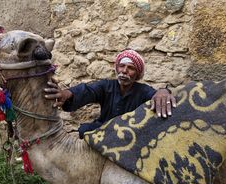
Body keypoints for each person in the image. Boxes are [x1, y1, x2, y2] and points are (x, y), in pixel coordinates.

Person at [44, 49, 176, 139]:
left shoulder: (143, 90)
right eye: (121, 66)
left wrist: (163, 91)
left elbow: (156, 95)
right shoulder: (106, 86)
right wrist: (67, 94)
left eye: (130, 68)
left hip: (129, 134)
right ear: (117, 68)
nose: (124, 71)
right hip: (105, 131)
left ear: (137, 74)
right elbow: (88, 90)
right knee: (84, 130)